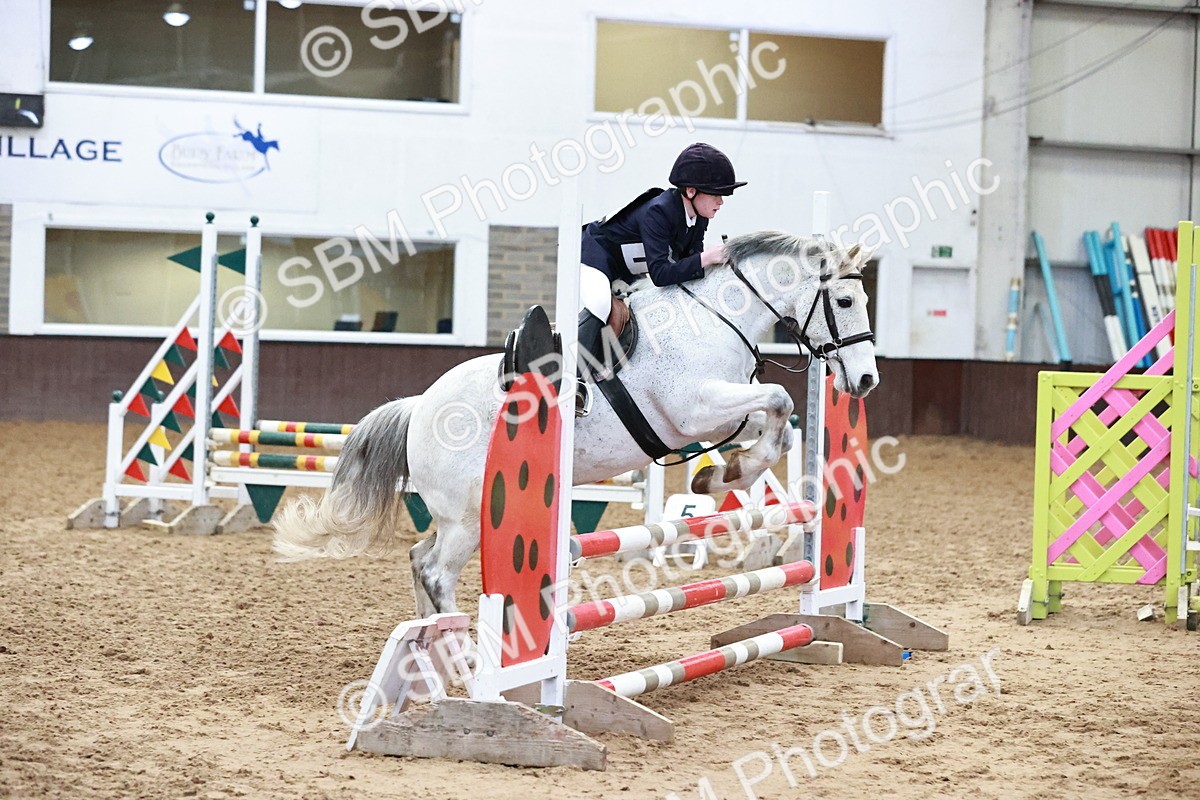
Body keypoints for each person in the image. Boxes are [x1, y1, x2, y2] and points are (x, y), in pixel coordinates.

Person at [574, 142, 747, 414]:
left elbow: (689, 269)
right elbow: (661, 274)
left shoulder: (699, 217)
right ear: (690, 191)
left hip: (627, 273)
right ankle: (573, 382)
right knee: (599, 303)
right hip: (594, 256)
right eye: (716, 195)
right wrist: (707, 258)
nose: (721, 202)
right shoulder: (659, 211)